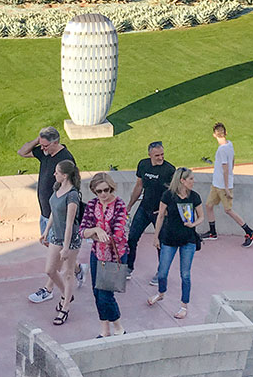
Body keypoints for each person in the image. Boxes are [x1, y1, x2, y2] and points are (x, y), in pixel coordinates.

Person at [18, 127, 82, 302]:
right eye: (42, 145)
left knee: (56, 256)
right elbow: (22, 152)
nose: (42, 148)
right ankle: (76, 267)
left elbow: (70, 189)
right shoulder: (45, 152)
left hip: (57, 216)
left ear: (55, 142)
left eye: (46, 145)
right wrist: (37, 140)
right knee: (53, 248)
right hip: (46, 212)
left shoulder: (65, 159)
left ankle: (49, 288)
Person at [149, 167, 205, 319]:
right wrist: (156, 237)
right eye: (191, 179)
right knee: (162, 271)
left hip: (188, 240)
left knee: (185, 274)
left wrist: (194, 224)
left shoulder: (194, 197)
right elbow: (160, 216)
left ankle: (183, 305)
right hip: (169, 239)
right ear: (182, 180)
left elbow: (201, 216)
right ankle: (161, 293)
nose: (193, 182)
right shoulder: (168, 195)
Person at [81, 172, 128, 336]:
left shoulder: (120, 205)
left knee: (105, 296)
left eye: (106, 190)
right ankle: (105, 330)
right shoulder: (92, 205)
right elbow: (82, 230)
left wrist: (93, 235)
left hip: (114, 257)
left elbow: (117, 235)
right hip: (97, 254)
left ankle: (118, 327)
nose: (103, 194)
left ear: (111, 188)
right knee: (96, 293)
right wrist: (96, 230)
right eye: (99, 191)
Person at [125, 139, 175, 283]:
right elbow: (139, 186)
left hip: (159, 212)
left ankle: (161, 273)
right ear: (149, 155)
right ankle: (129, 267)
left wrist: (166, 212)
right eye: (157, 155)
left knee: (161, 243)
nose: (160, 158)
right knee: (132, 238)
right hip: (144, 208)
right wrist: (130, 205)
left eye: (162, 155)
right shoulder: (143, 164)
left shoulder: (169, 170)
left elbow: (174, 193)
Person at [201, 122, 253, 246]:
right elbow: (232, 161)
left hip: (222, 186)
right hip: (216, 184)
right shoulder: (230, 145)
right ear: (225, 133)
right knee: (209, 205)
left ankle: (249, 232)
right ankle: (212, 232)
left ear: (214, 135)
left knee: (228, 210)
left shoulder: (222, 150)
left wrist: (226, 187)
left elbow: (226, 169)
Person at [41, 158, 82, 327]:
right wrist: (46, 231)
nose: (54, 174)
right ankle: (66, 293)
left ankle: (65, 307)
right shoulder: (57, 188)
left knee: (68, 272)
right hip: (55, 236)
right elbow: (53, 212)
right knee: (50, 270)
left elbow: (69, 224)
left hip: (69, 239)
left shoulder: (72, 196)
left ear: (64, 176)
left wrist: (66, 248)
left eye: (57, 172)